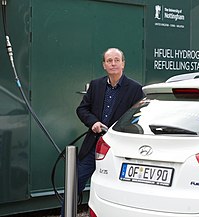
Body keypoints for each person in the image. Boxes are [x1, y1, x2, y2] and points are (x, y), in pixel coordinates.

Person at [61, 48, 144, 216]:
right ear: (104, 65)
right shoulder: (96, 85)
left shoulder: (135, 89)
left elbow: (139, 117)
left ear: (123, 63)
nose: (113, 63)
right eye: (109, 61)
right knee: (74, 183)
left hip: (119, 149)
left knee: (120, 189)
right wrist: (93, 123)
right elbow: (82, 109)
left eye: (116, 60)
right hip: (93, 145)